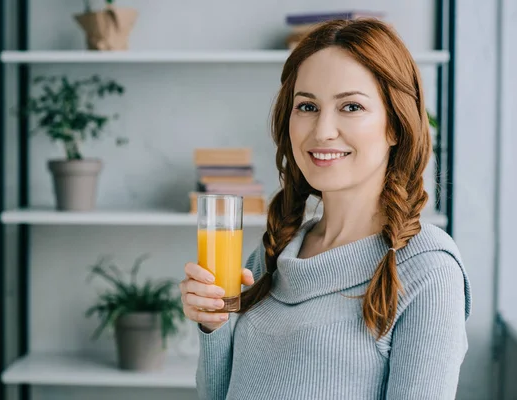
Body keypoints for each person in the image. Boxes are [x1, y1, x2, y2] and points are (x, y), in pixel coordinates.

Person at [179, 18, 471, 400]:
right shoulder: (270, 256)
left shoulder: (427, 271)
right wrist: (212, 326)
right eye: (307, 106)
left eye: (351, 106)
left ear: (395, 125)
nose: (322, 130)